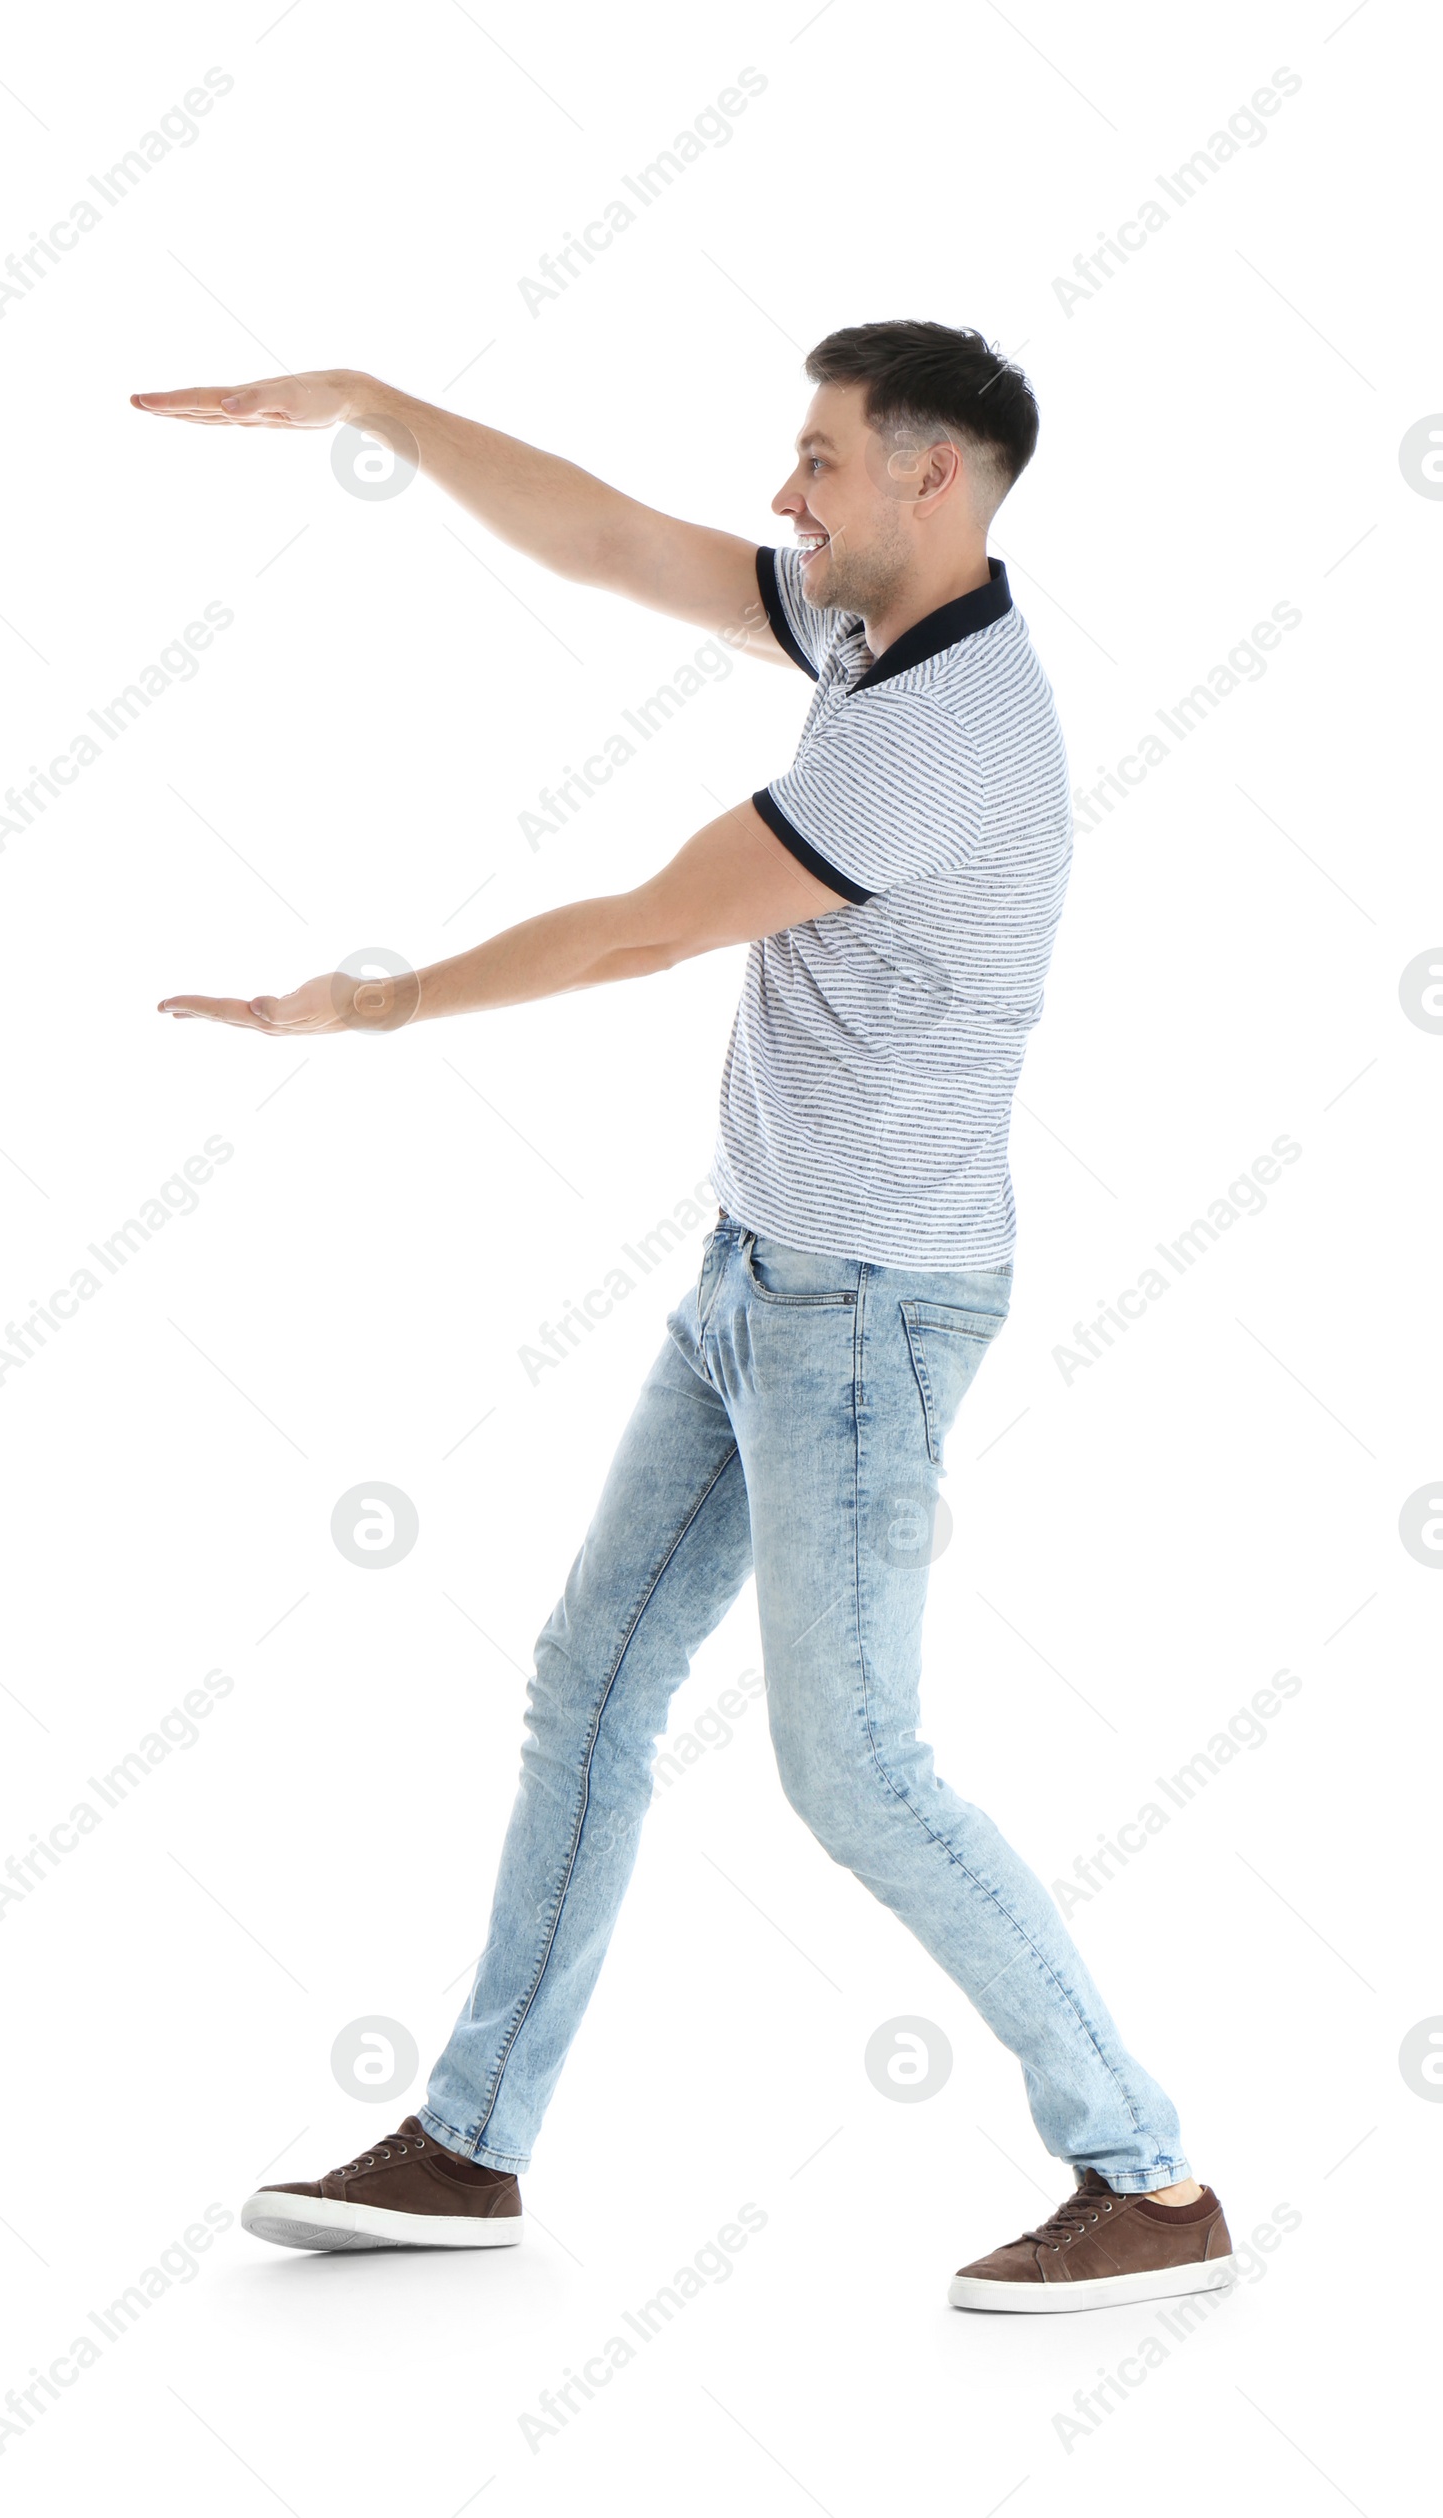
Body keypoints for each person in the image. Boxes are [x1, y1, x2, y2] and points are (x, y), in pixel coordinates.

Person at [133, 322, 1234, 2310]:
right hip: (756, 1282)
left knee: (854, 1770)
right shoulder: (865, 631)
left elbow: (650, 922)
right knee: (586, 1682)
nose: (779, 494)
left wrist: (372, 1001)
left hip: (868, 1312)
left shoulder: (945, 731)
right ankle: (470, 2143)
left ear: (931, 479)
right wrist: (380, 405)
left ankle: (1143, 2176)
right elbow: (616, 547)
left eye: (815, 458)